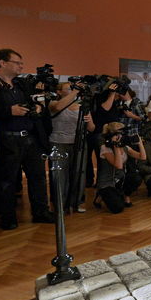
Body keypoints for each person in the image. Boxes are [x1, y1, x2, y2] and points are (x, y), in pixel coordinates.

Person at [0, 48, 54, 230]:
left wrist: (38, 108)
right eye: (17, 62)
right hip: (5, 139)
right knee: (6, 180)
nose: (21, 66)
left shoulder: (23, 85)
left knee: (38, 177)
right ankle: (8, 217)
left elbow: (36, 102)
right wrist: (9, 111)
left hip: (30, 138)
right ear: (2, 63)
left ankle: (41, 212)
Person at [48, 82, 95, 213]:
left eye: (74, 89)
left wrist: (88, 120)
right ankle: (59, 204)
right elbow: (57, 107)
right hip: (59, 143)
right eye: (69, 89)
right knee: (60, 175)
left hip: (79, 143)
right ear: (59, 92)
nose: (73, 90)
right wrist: (76, 91)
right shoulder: (52, 102)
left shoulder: (82, 106)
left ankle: (77, 202)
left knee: (79, 173)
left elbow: (92, 128)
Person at [95, 122, 146, 213]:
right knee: (118, 208)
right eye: (120, 134)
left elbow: (142, 157)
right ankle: (100, 195)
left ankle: (124, 195)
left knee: (136, 178)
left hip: (119, 180)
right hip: (106, 182)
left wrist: (140, 143)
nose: (122, 136)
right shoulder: (105, 148)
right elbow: (118, 165)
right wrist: (116, 146)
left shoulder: (125, 147)